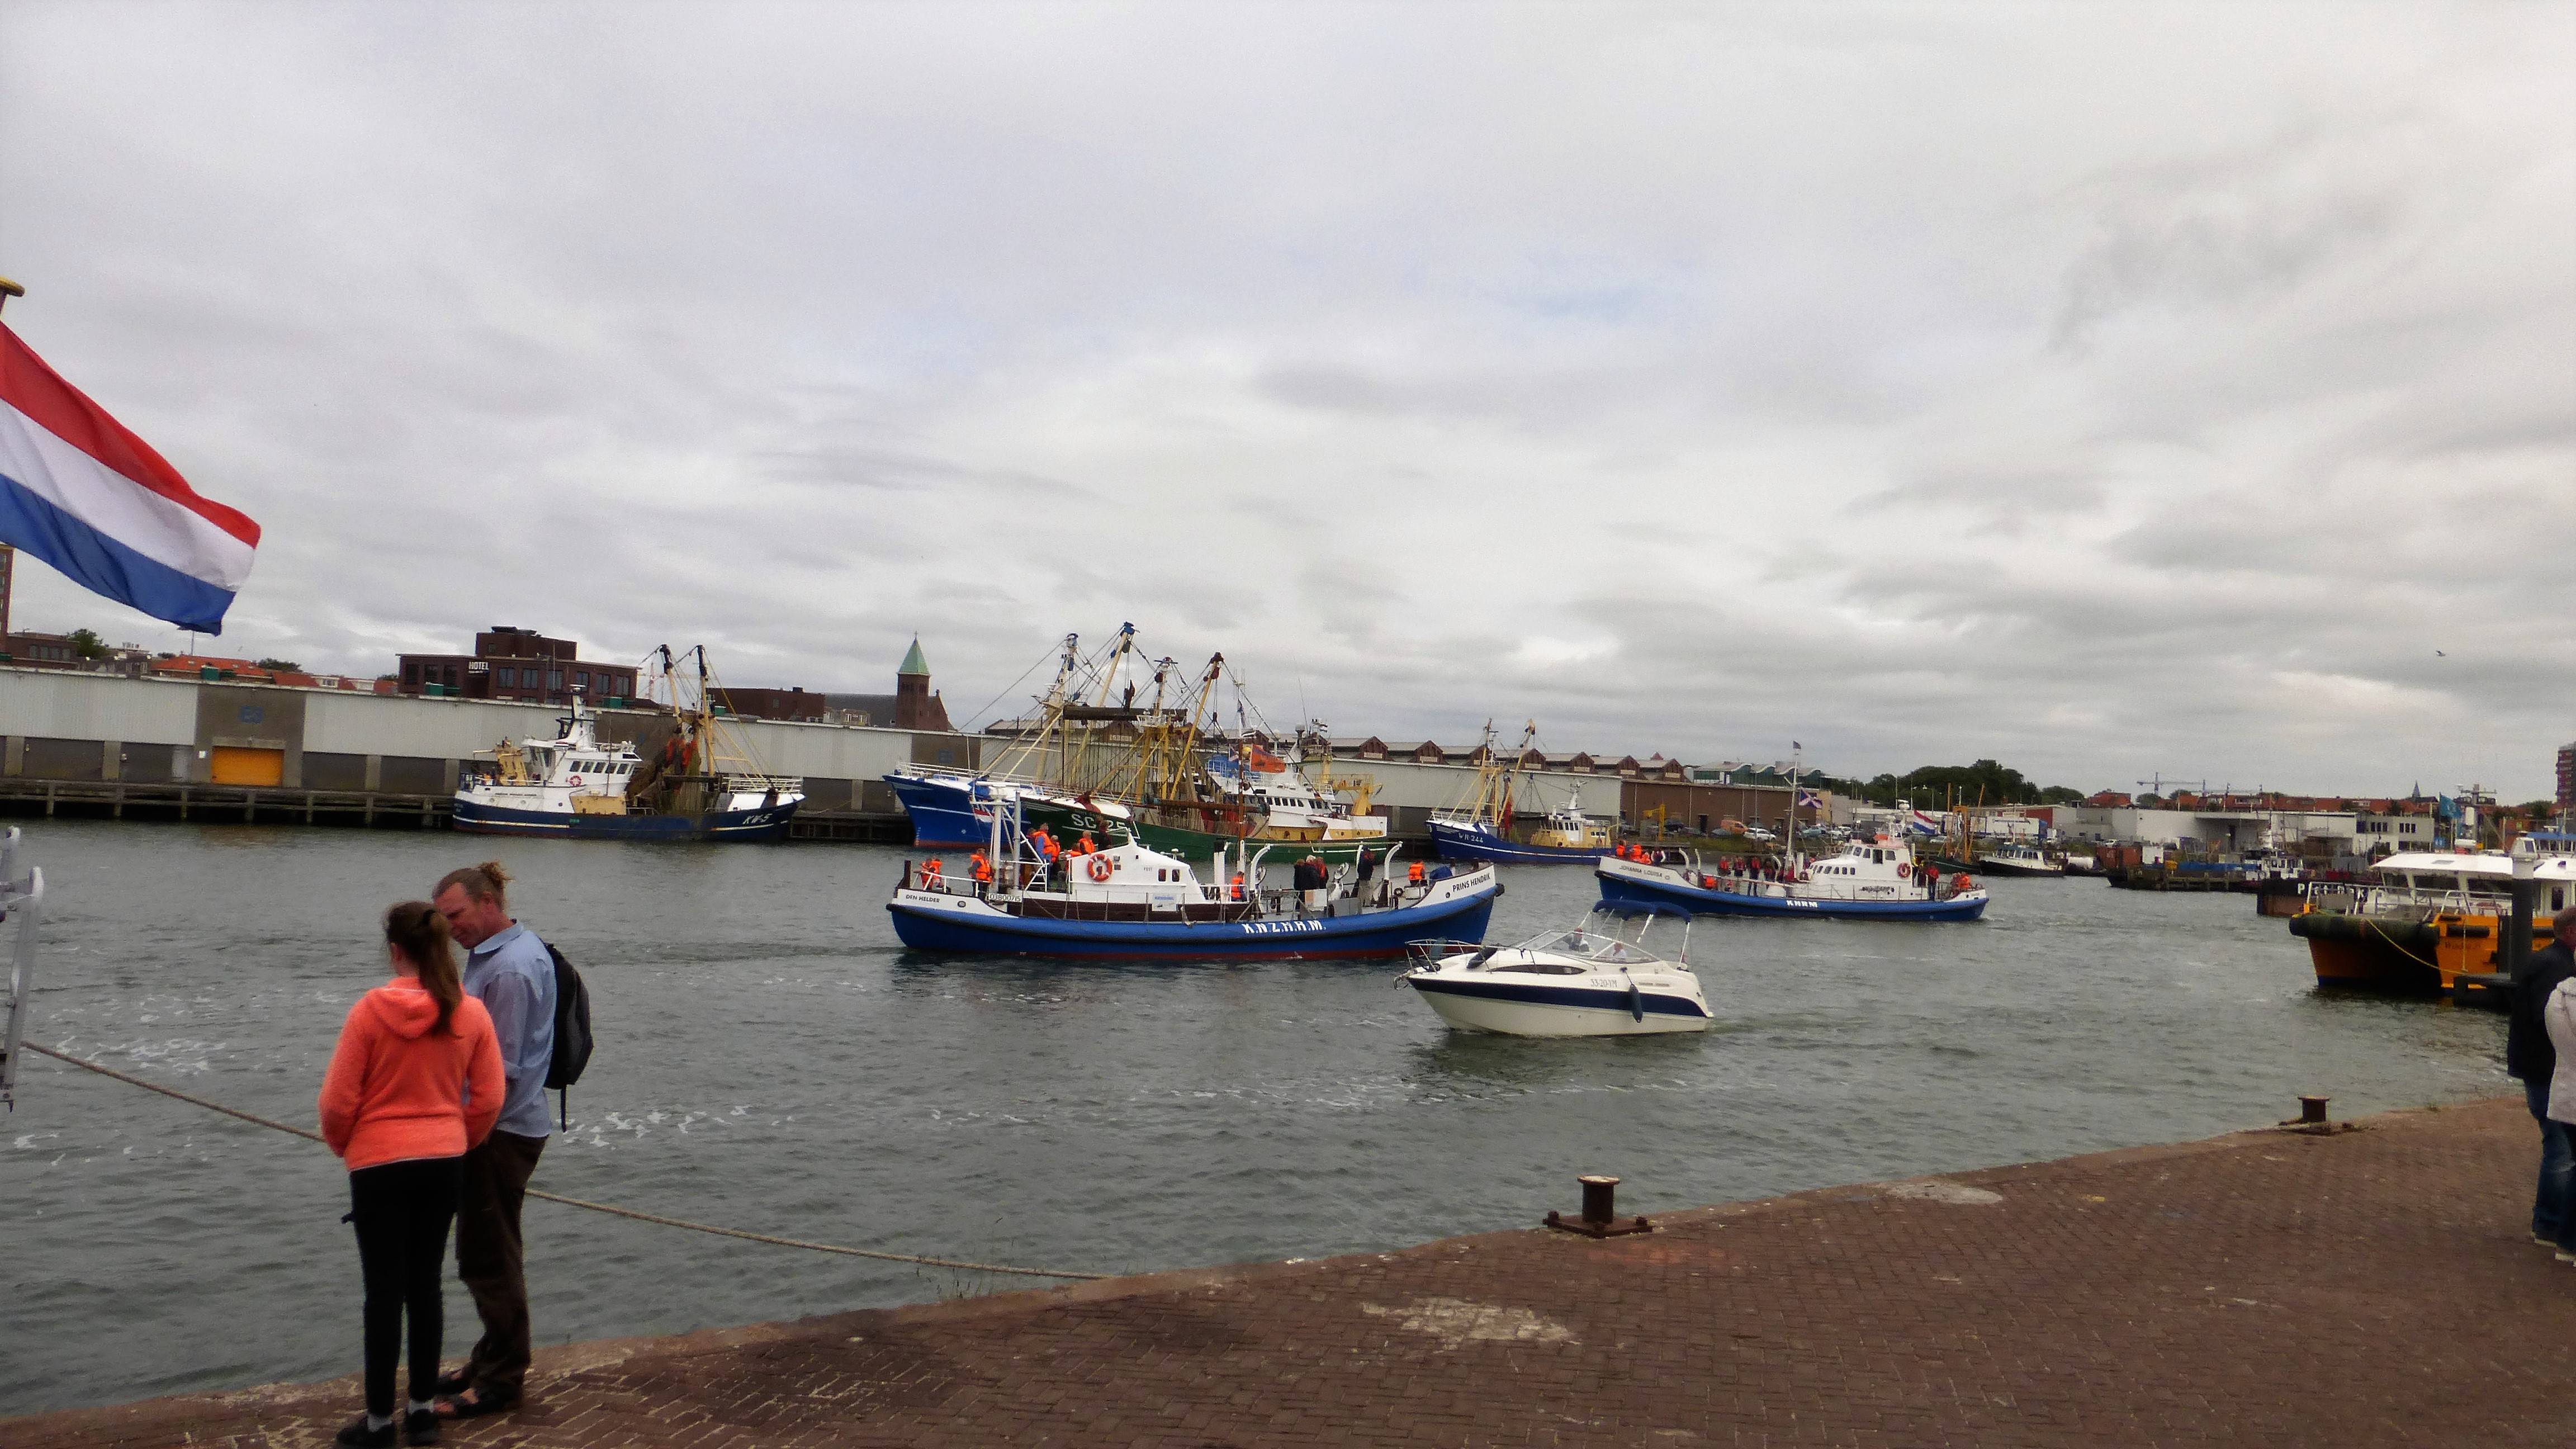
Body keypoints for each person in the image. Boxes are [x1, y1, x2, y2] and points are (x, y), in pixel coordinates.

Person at [319, 903, 503, 1447]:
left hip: (378, 1165)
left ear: (395, 950)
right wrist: (456, 1138)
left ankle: (378, 1424)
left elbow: (337, 1103)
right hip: (442, 1162)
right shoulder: (469, 1013)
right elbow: (490, 1097)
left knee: (382, 1294)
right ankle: (421, 1412)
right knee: (426, 1287)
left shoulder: (370, 1012)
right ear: (443, 948)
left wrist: (345, 1145)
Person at [430, 863, 555, 1420]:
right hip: (503, 1125)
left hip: (498, 1130)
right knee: (488, 1248)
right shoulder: (503, 952)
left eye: (455, 916)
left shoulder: (509, 970)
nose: (450, 929)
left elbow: (497, 1073)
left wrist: (459, 1132)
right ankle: (488, 1359)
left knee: (490, 1256)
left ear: (486, 902)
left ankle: (502, 1378)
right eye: (443, 921)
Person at [2508, 907, 2576, 1257]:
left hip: (2536, 1067)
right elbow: (2547, 1017)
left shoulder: (2547, 960)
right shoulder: (2558, 968)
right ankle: (2551, 1224)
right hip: (2546, 1071)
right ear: (2571, 931)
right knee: (2561, 1150)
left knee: (2559, 1147)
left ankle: (2553, 1222)